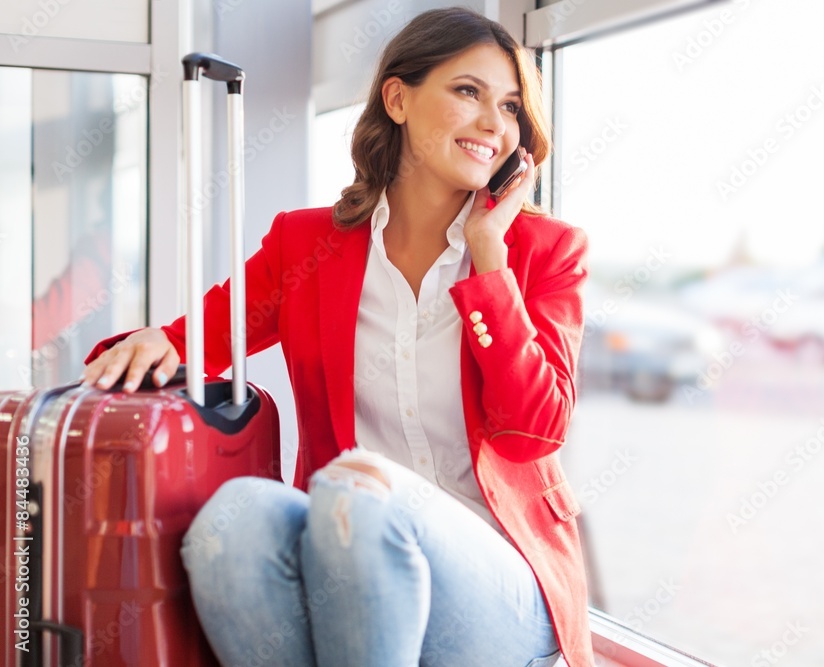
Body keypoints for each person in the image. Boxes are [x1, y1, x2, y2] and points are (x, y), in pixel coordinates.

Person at [82, 6, 593, 666]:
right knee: (232, 519)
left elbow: (537, 429)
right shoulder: (307, 245)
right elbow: (189, 338)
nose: (496, 124)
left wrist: (488, 256)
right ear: (398, 98)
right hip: (350, 562)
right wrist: (157, 344)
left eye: (512, 106)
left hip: (502, 585)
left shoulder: (545, 251)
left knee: (361, 485)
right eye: (468, 92)